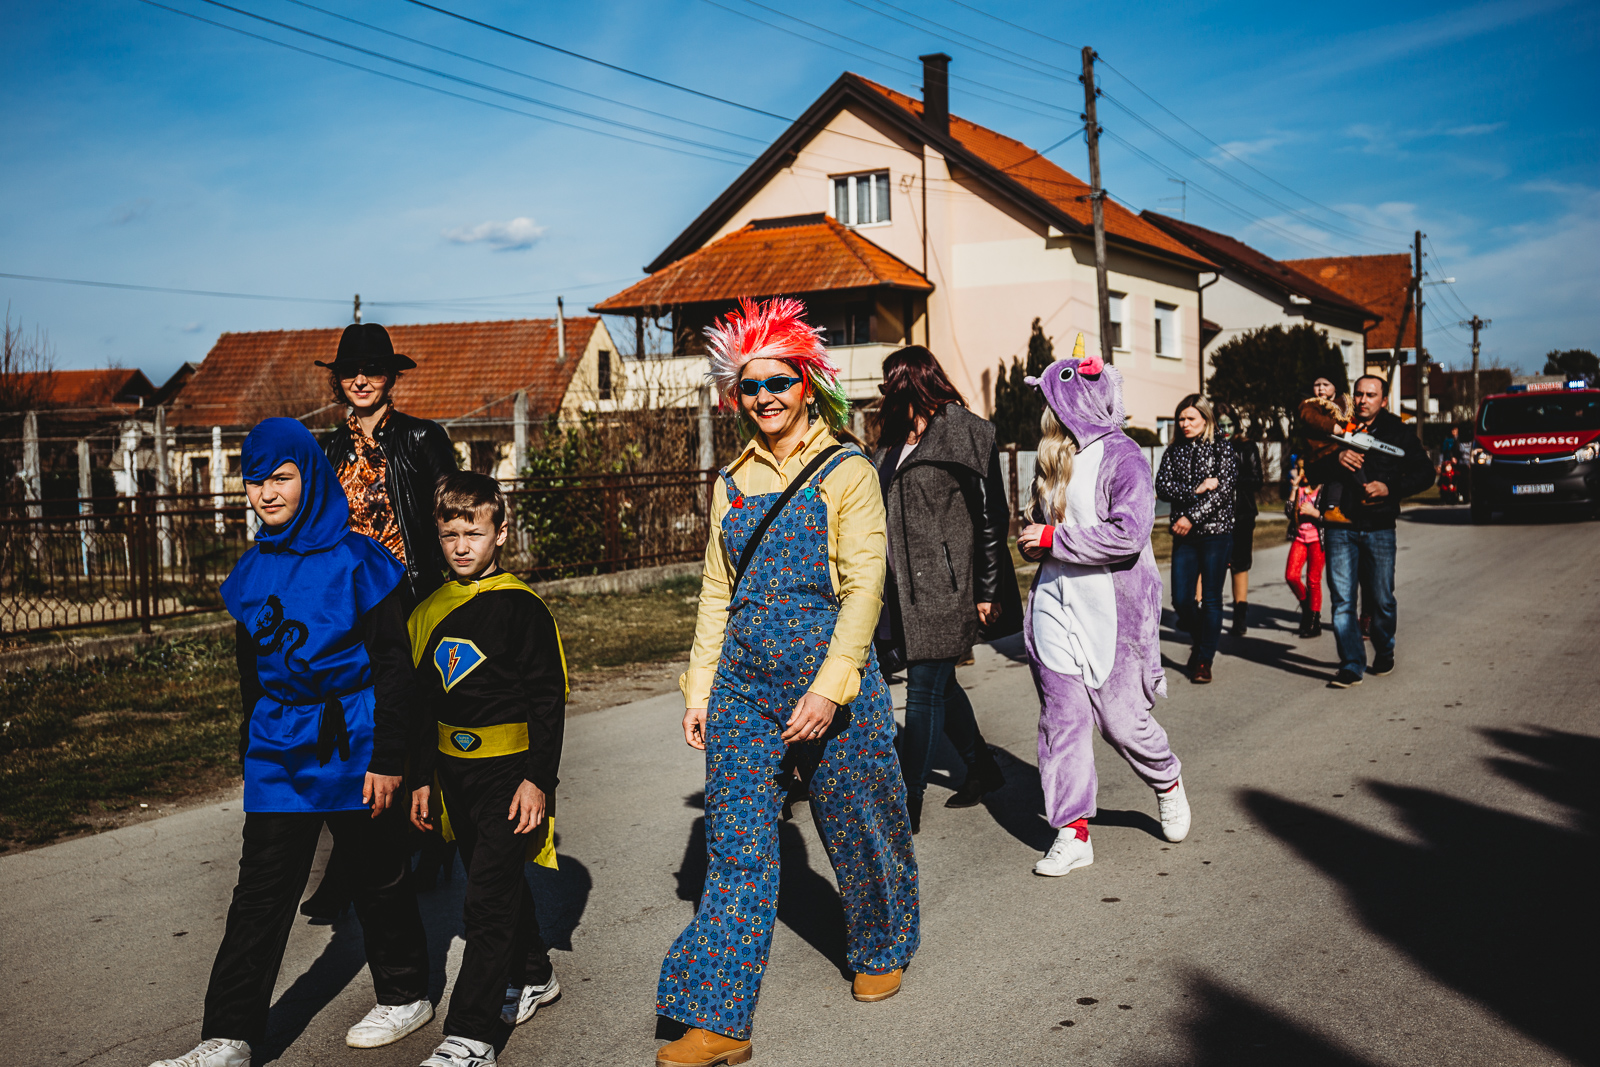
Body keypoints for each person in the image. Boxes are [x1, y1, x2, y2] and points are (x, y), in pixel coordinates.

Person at [656, 298, 918, 1067]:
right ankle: (720, 1018)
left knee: (859, 822)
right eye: (749, 385)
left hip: (829, 679)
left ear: (807, 383)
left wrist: (831, 687)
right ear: (733, 396)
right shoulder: (731, 480)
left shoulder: (847, 469)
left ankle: (881, 939)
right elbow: (715, 588)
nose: (764, 396)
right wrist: (700, 686)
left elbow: (866, 585)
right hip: (743, 684)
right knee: (736, 848)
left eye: (779, 381)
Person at [148, 419, 430, 1067]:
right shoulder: (253, 570)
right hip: (280, 746)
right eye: (255, 479)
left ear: (309, 474)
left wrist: (390, 758)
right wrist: (255, 747)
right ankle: (229, 1034)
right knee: (260, 891)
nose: (267, 492)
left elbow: (394, 665)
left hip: (354, 736)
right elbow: (253, 676)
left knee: (376, 873)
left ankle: (406, 990)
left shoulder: (360, 560)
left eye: (281, 476)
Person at [408, 472, 568, 1067]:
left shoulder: (522, 610)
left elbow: (548, 701)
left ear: (500, 534)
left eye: (474, 532)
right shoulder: (429, 612)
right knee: (488, 876)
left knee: (485, 900)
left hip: (510, 775)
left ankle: (471, 1036)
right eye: (450, 534)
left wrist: (538, 781)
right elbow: (423, 707)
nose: (461, 546)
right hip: (455, 776)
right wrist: (422, 777)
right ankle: (533, 972)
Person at [1014, 346, 1189, 878]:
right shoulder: (1054, 458)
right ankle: (1073, 832)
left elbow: (1129, 534)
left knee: (1121, 723)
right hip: (1054, 603)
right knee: (1062, 720)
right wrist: (1035, 538)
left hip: (1114, 608)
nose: (1044, 412)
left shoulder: (1124, 455)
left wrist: (1052, 537)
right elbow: (1043, 525)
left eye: (1050, 400)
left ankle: (1166, 780)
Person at [307, 321, 459, 919]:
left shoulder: (422, 438)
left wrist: (458, 588)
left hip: (411, 592)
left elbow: (449, 512)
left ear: (391, 377)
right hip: (350, 601)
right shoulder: (327, 449)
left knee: (414, 714)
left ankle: (425, 836)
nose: (361, 380)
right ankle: (360, 852)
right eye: (350, 372)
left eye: (372, 371)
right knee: (356, 716)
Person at [871, 345, 1019, 832]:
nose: (884, 389)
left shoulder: (964, 430)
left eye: (892, 380)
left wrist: (988, 589)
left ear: (916, 379)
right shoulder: (894, 439)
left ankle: (905, 800)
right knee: (940, 684)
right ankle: (982, 768)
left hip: (947, 586)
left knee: (922, 693)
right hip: (902, 587)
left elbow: (990, 517)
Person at [1310, 375, 1434, 687]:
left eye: (1371, 394)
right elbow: (1311, 469)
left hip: (1379, 526)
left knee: (1381, 599)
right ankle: (1351, 663)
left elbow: (1425, 473)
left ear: (1383, 399)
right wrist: (1337, 459)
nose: (1364, 400)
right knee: (1342, 601)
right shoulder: (1336, 428)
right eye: (1359, 394)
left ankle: (1385, 648)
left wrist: (1389, 488)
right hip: (1340, 527)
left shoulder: (1397, 431)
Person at [1154, 394, 1237, 684]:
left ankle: (1204, 659)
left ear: (1205, 419)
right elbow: (1161, 487)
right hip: (1184, 536)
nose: (1185, 424)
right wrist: (1195, 489)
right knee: (1181, 600)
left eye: (1191, 418)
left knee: (1212, 598)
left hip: (1216, 533)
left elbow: (1223, 493)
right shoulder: (1173, 450)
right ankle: (1204, 638)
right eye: (1181, 419)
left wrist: (1191, 516)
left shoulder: (1222, 449)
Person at [1216, 404, 1264, 637]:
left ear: (1236, 424)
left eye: (1229, 424)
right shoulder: (1208, 445)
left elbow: (1257, 480)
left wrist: (1229, 479)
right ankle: (1202, 613)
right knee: (1210, 565)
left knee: (1240, 565)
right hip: (1213, 515)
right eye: (1220, 424)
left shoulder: (1247, 447)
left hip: (1242, 514)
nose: (1225, 429)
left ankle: (1239, 616)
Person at [1285, 458, 1324, 638]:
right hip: (1300, 537)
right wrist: (1293, 489)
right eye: (1299, 470)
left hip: (1317, 539)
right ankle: (1307, 605)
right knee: (1291, 576)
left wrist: (1314, 513)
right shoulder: (1300, 489)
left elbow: (1330, 517)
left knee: (1313, 580)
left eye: (1304, 470)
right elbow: (1288, 512)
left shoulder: (1323, 490)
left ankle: (1314, 621)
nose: (1302, 474)